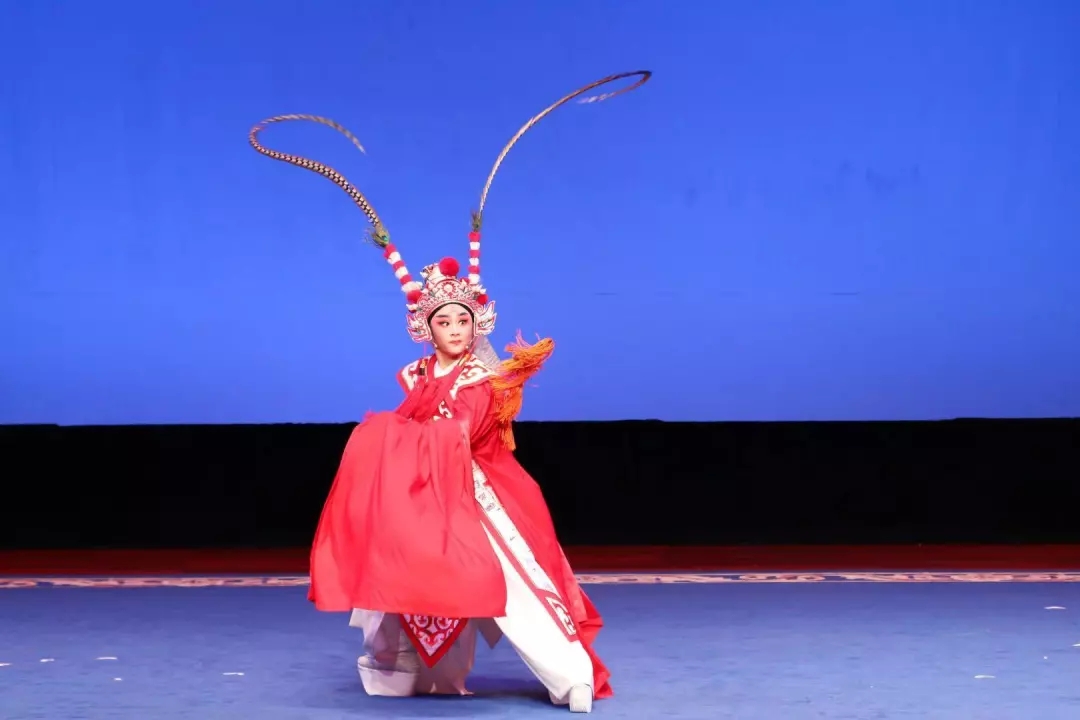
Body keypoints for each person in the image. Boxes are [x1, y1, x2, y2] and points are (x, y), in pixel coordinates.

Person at [249, 71, 650, 713]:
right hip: (424, 493)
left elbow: (460, 434)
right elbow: (412, 428)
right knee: (395, 565)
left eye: (464, 320)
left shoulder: (484, 378)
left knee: (517, 585)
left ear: (475, 323)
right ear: (428, 327)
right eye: (445, 321)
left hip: (481, 494)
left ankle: (570, 676)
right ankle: (401, 670)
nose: (457, 330)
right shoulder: (413, 376)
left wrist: (399, 440)